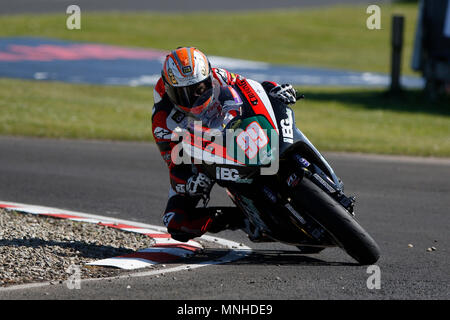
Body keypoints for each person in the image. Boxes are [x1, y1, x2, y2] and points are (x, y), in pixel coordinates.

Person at [151, 46, 297, 242]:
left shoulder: (218, 75)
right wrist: (191, 180)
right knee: (176, 222)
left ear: (208, 77)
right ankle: (245, 220)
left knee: (277, 107)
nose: (194, 97)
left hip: (235, 127)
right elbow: (174, 161)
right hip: (204, 157)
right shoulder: (163, 119)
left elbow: (249, 88)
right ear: (169, 90)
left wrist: (273, 89)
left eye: (199, 89)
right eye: (183, 93)